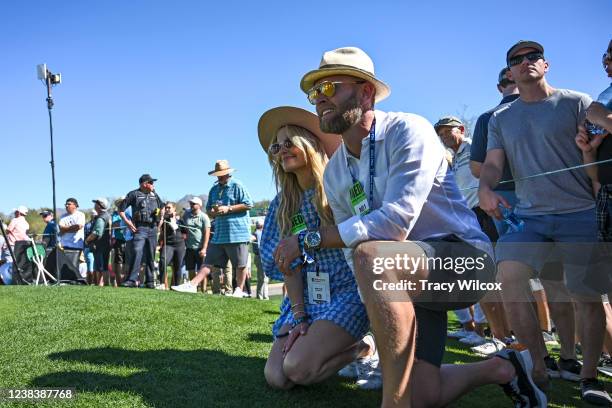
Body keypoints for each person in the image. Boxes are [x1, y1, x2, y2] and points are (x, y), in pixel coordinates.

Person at [274, 46, 545, 406]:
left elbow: (395, 223)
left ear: (366, 91)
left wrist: (309, 238)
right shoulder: (337, 170)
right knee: (423, 394)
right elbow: (352, 251)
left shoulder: (408, 130)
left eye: (329, 88)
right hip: (402, 280)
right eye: (314, 93)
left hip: (466, 262)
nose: (319, 100)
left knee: (373, 254)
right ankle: (504, 367)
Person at [479, 40, 610, 405]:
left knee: (586, 297)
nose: (525, 63)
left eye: (532, 56)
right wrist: (485, 189)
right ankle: (537, 368)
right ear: (510, 72)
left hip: (580, 212)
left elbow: (600, 125)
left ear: (546, 64)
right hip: (530, 219)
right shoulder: (500, 119)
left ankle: (588, 377)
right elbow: (491, 163)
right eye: (516, 60)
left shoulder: (577, 102)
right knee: (510, 280)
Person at [258, 105, 371, 390]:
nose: (282, 150)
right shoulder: (282, 205)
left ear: (310, 145)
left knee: (297, 368)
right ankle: (352, 347)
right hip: (304, 298)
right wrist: (299, 317)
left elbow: (365, 233)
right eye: (276, 146)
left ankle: (364, 348)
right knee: (277, 378)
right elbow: (286, 266)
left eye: (289, 142)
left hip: (346, 292)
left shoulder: (340, 188)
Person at [205, 160, 254, 298]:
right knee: (210, 262)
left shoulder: (238, 185)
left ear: (228, 173)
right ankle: (193, 285)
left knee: (240, 264)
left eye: (221, 174)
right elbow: (208, 210)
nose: (219, 177)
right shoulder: (213, 190)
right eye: (217, 174)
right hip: (221, 233)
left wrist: (229, 208)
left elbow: (249, 204)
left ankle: (238, 289)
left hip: (238, 232)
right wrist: (213, 211)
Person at [119, 174, 164, 288]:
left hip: (153, 228)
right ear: (144, 184)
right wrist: (128, 223)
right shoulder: (133, 194)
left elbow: (162, 206)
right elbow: (121, 209)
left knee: (151, 255)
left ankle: (150, 282)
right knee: (137, 251)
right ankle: (132, 280)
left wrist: (160, 221)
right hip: (140, 228)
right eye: (151, 182)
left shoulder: (155, 195)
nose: (153, 185)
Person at [181, 197, 211, 289]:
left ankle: (203, 290)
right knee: (190, 269)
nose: (191, 205)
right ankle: (193, 288)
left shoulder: (204, 217)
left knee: (202, 270)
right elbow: (184, 228)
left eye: (194, 204)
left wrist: (204, 248)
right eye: (191, 203)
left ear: (199, 205)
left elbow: (207, 233)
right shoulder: (186, 215)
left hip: (200, 248)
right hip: (189, 247)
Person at [158, 202, 186, 289]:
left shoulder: (180, 220)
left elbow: (185, 233)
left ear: (174, 209)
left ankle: (176, 286)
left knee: (178, 265)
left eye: (169, 208)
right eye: (166, 208)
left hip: (179, 245)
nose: (167, 209)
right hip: (168, 244)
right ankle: (162, 283)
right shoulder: (164, 220)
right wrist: (162, 217)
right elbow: (158, 228)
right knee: (163, 260)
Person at [85, 198, 112, 286]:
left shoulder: (101, 217)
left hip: (100, 245)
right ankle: (105, 285)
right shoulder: (106, 215)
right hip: (105, 244)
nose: (94, 205)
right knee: (104, 266)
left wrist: (87, 240)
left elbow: (97, 232)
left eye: (96, 203)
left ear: (100, 205)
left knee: (100, 267)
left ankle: (101, 285)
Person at [251, 220, 269, 300]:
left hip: (263, 256)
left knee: (265, 278)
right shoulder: (257, 233)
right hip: (260, 257)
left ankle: (265, 296)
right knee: (262, 278)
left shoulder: (260, 232)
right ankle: (260, 296)